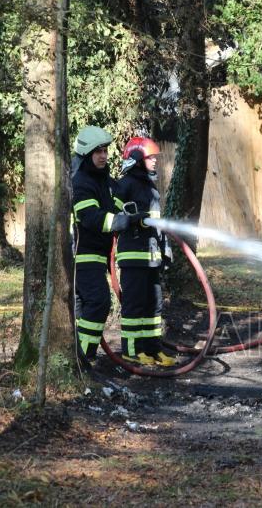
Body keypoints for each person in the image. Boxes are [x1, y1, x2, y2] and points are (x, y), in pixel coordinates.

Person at [71, 126, 147, 361]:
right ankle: (82, 358)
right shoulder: (81, 182)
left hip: (100, 255)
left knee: (93, 305)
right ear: (86, 154)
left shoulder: (104, 180)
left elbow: (117, 204)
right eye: (98, 152)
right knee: (98, 302)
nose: (103, 155)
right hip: (84, 255)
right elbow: (90, 217)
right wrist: (119, 221)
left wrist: (134, 216)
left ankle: (83, 356)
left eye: (105, 150)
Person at [114, 136, 175, 367]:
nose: (155, 160)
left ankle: (153, 349)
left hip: (152, 258)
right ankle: (132, 350)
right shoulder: (125, 185)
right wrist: (133, 219)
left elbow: (157, 224)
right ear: (137, 159)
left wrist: (165, 249)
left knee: (154, 305)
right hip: (133, 258)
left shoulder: (151, 188)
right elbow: (114, 216)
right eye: (150, 157)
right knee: (135, 306)